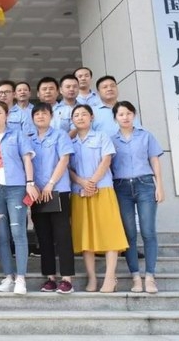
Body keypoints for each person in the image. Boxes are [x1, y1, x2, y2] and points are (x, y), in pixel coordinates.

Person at [68, 104, 128, 293]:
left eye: (84, 114)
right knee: (86, 236)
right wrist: (82, 182)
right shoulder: (70, 142)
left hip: (102, 189)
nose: (80, 117)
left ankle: (110, 277)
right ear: (72, 120)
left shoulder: (101, 136)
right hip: (80, 193)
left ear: (91, 117)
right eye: (76, 115)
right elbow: (67, 168)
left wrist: (92, 182)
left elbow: (106, 160)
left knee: (109, 233)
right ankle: (92, 277)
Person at [0, 101, 38, 295]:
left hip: (15, 188)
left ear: (7, 115)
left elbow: (27, 159)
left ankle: (21, 278)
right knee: (1, 235)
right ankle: (8, 276)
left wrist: (30, 182)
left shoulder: (18, 135)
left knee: (18, 232)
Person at [111, 101, 164, 293]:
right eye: (121, 114)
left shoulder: (146, 135)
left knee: (148, 231)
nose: (125, 117)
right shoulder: (111, 140)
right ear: (115, 118)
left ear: (134, 115)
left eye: (128, 113)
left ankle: (150, 276)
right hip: (121, 187)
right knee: (129, 234)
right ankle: (135, 277)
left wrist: (159, 186)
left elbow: (154, 160)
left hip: (145, 184)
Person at [29, 102, 76, 294]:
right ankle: (49, 277)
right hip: (37, 194)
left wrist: (50, 183)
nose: (40, 116)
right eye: (37, 114)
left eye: (44, 113)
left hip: (58, 191)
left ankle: (67, 278)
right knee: (43, 236)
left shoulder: (60, 135)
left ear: (51, 116)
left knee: (62, 235)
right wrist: (33, 185)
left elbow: (64, 159)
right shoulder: (29, 138)